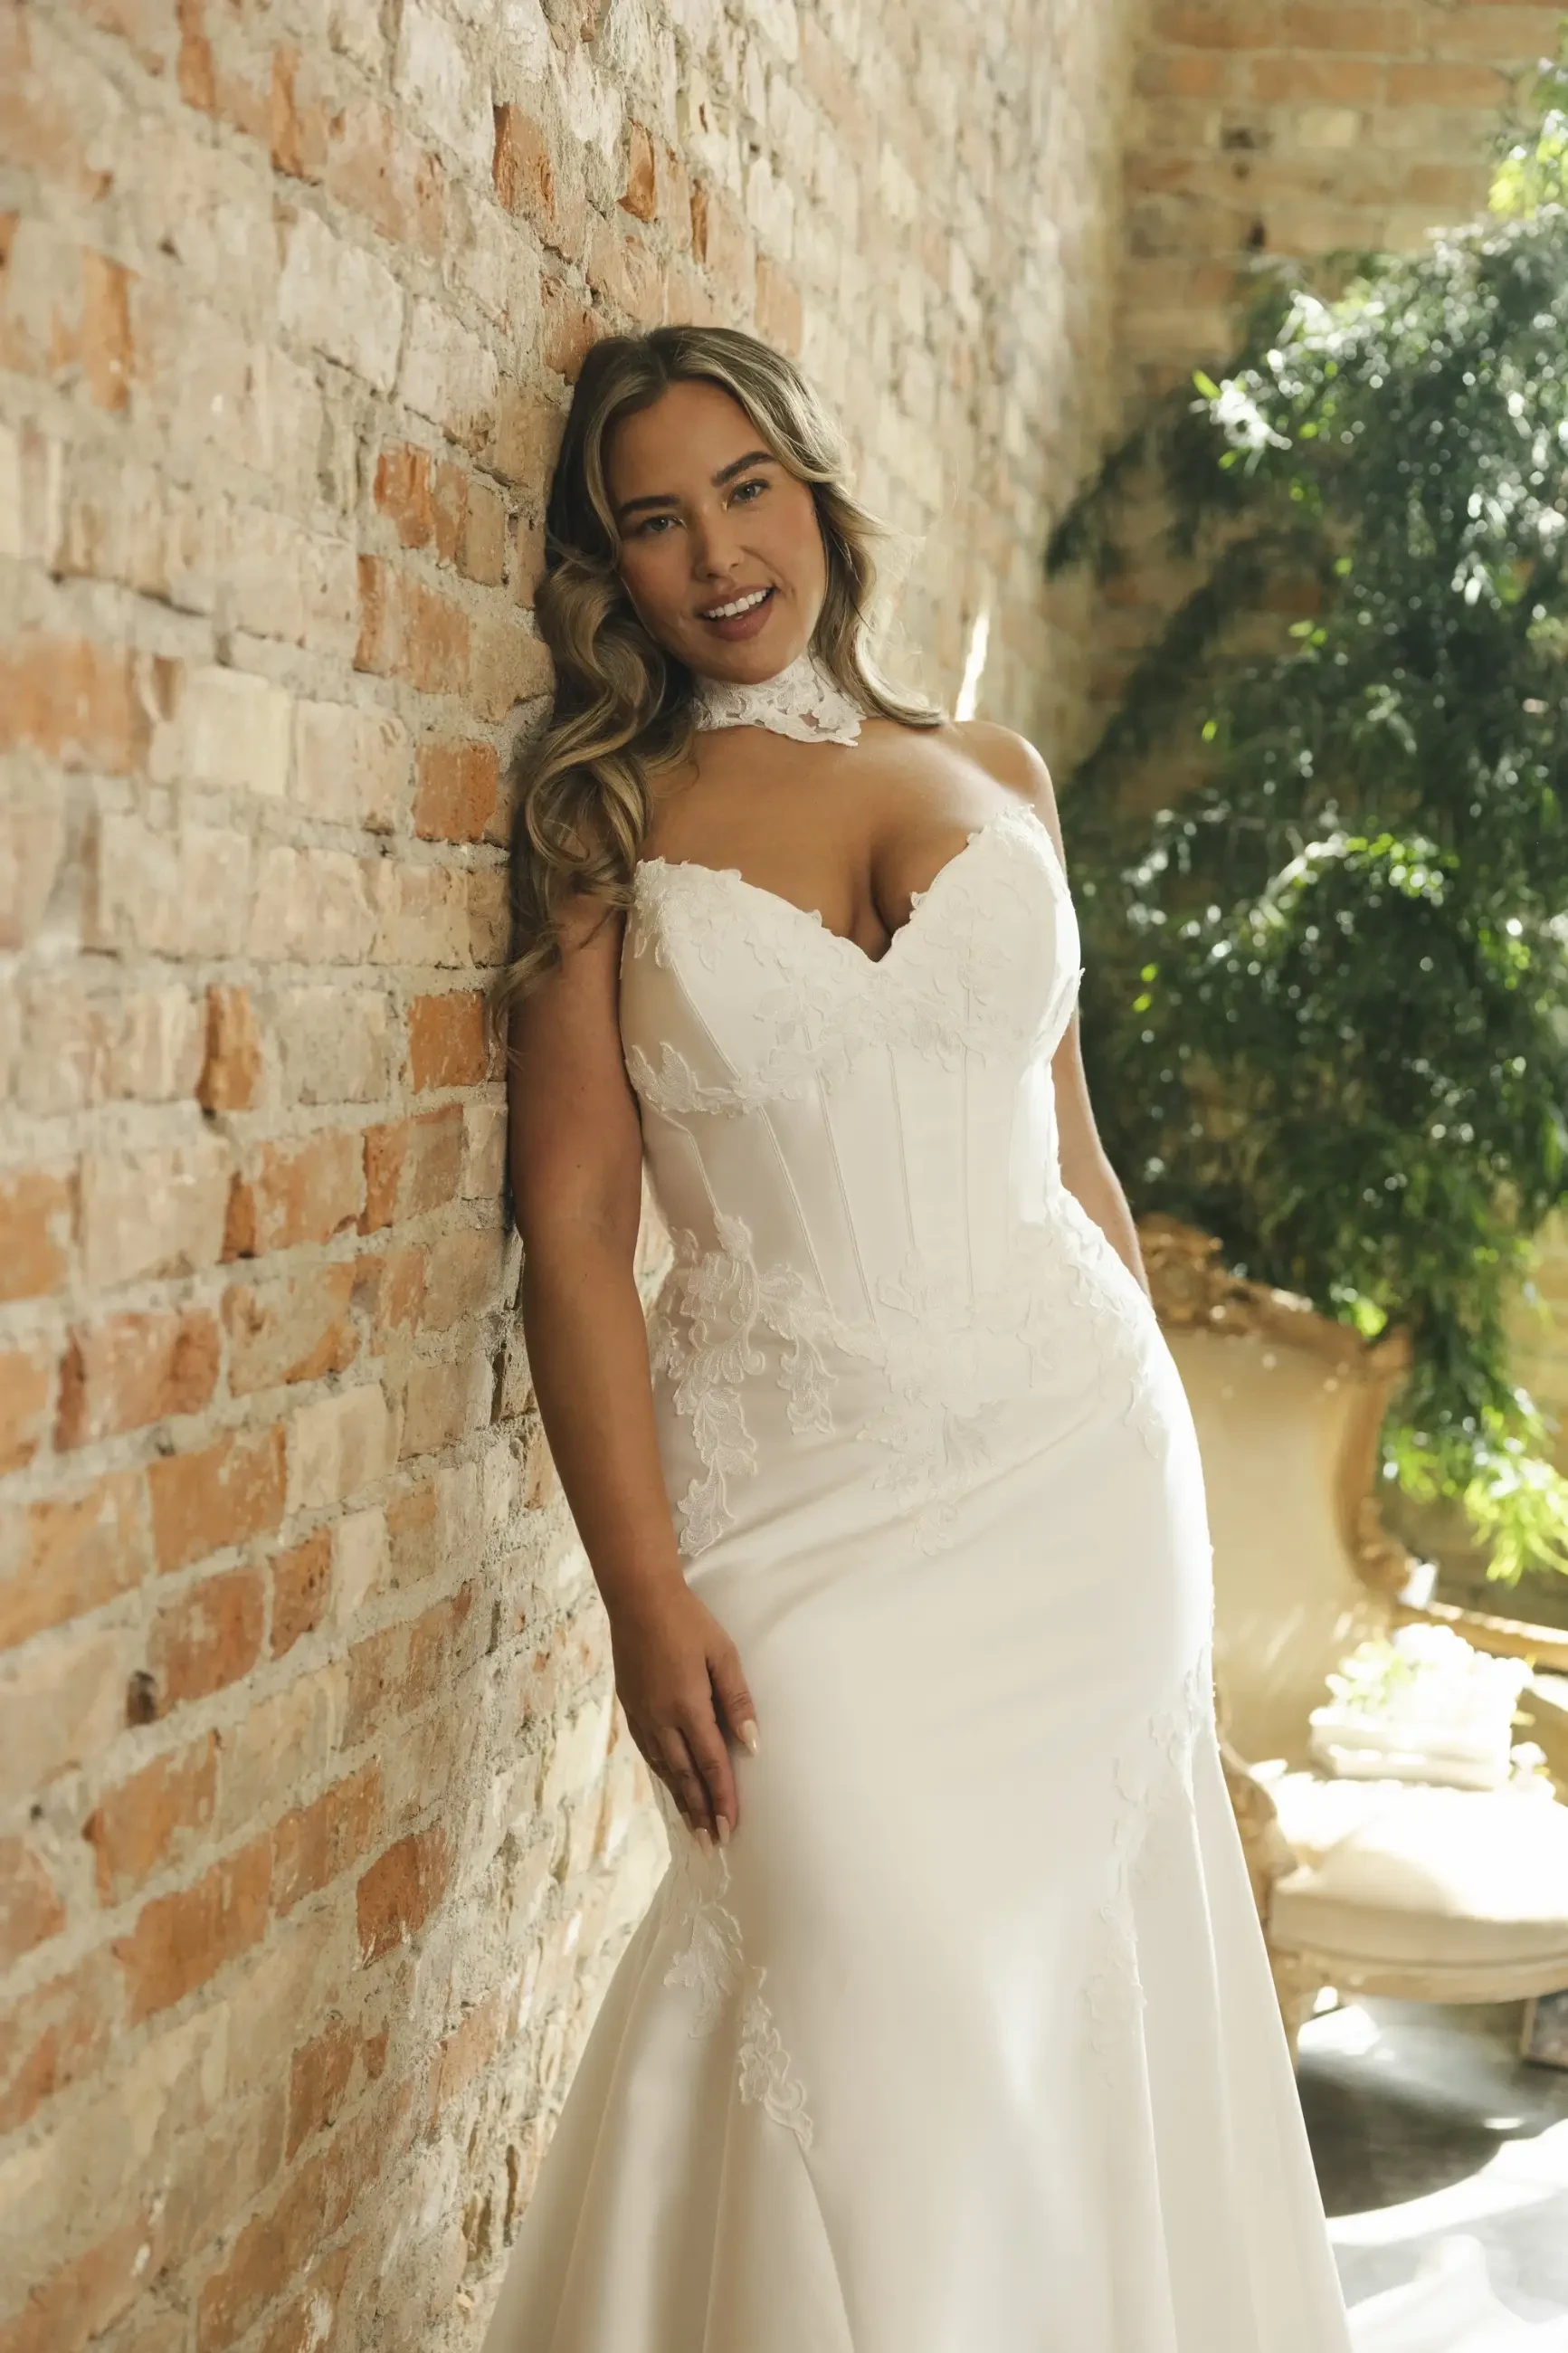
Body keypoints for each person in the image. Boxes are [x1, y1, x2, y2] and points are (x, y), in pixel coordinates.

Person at [480, 323, 1517, 2353]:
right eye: (653, 522)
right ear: (610, 573)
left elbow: (1074, 1163)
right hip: (796, 1517)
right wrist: (636, 1588)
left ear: (810, 489)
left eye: (746, 489)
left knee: (1066, 1998)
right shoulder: (607, 818)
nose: (715, 556)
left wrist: (1175, 1494)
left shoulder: (991, 771)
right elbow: (572, 1227)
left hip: (1077, 1478)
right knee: (869, 1963)